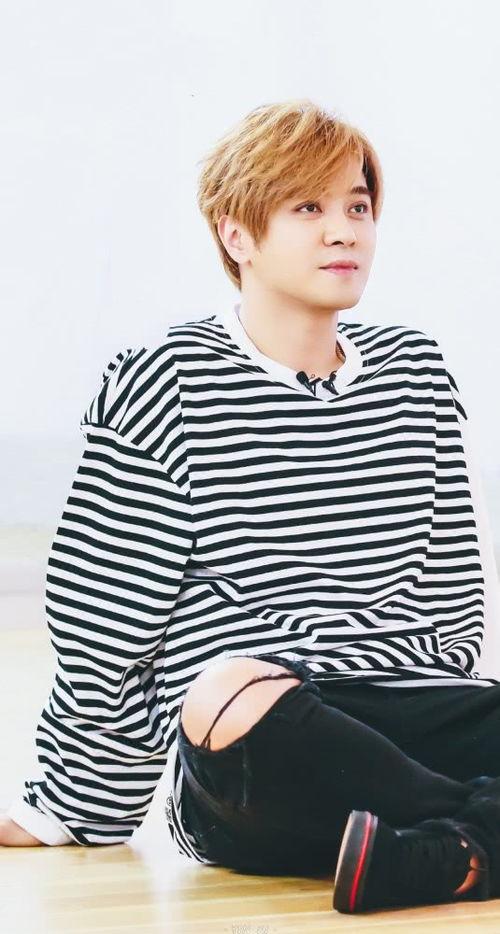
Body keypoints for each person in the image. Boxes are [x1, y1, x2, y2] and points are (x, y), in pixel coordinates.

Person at [3, 98, 500, 915]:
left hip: (406, 713)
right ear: (237, 235)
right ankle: (474, 829)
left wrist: (455, 714)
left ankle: (450, 854)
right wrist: (70, 806)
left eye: (357, 209)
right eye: (308, 209)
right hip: (257, 742)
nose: (343, 233)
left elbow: (450, 589)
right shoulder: (164, 380)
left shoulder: (416, 372)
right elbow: (104, 624)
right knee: (228, 688)